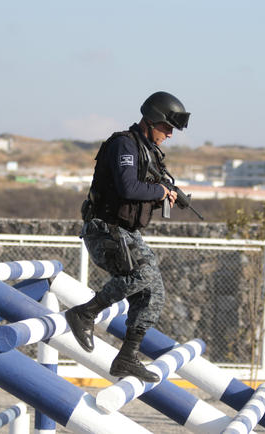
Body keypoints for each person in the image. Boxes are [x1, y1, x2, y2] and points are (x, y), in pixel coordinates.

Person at [65, 91, 190, 382]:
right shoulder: (124, 144)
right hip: (104, 231)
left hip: (126, 233)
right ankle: (85, 313)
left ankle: (127, 357)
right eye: (166, 128)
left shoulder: (150, 153)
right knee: (142, 275)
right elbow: (127, 188)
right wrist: (160, 191)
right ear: (151, 121)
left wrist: (163, 198)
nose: (169, 135)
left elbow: (137, 196)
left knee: (153, 293)